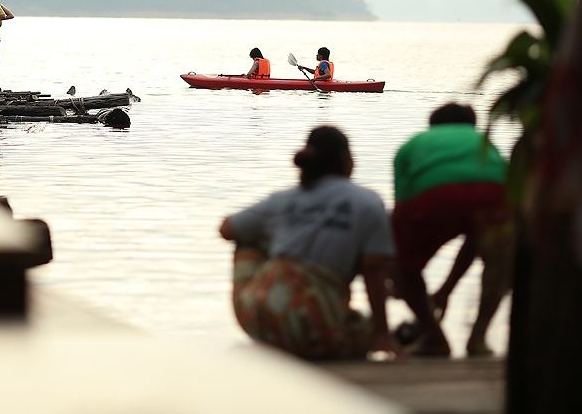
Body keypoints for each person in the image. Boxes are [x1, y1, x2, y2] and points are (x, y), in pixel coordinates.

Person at [219, 127, 401, 360]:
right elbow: (373, 271)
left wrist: (278, 233)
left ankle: (269, 312)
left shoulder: (282, 200)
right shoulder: (367, 201)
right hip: (319, 332)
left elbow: (226, 228)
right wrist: (382, 332)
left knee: (248, 239)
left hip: (258, 321)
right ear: (347, 161)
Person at [392, 103, 510, 357]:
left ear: (432, 126)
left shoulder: (414, 144)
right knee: (499, 262)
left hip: (434, 194)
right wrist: (447, 289)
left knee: (402, 267)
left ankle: (434, 337)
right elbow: (476, 239)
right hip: (493, 192)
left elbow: (403, 206)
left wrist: (404, 273)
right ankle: (478, 338)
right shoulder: (486, 143)